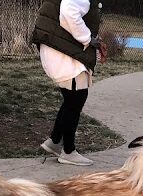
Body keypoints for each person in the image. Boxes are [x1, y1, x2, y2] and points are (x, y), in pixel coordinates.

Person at [31, 0, 103, 166]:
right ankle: (68, 151)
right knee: (76, 98)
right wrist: (87, 38)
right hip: (62, 53)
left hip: (57, 48)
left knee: (72, 98)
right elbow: (69, 12)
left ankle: (55, 141)